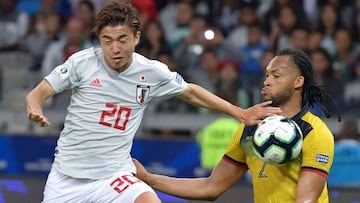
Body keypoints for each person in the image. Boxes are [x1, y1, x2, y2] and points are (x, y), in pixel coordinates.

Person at [25, 1, 281, 203]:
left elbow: (190, 92)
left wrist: (239, 112)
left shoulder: (152, 72)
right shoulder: (83, 62)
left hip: (114, 176)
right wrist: (35, 106)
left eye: (122, 39)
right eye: (107, 40)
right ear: (99, 40)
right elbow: (38, 92)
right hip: (67, 178)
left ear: (136, 38)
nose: (115, 48)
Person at [134, 48, 337, 202]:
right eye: (267, 74)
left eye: (276, 75)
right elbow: (210, 187)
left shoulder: (314, 132)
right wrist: (148, 178)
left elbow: (306, 200)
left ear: (298, 82)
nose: (267, 81)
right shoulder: (250, 129)